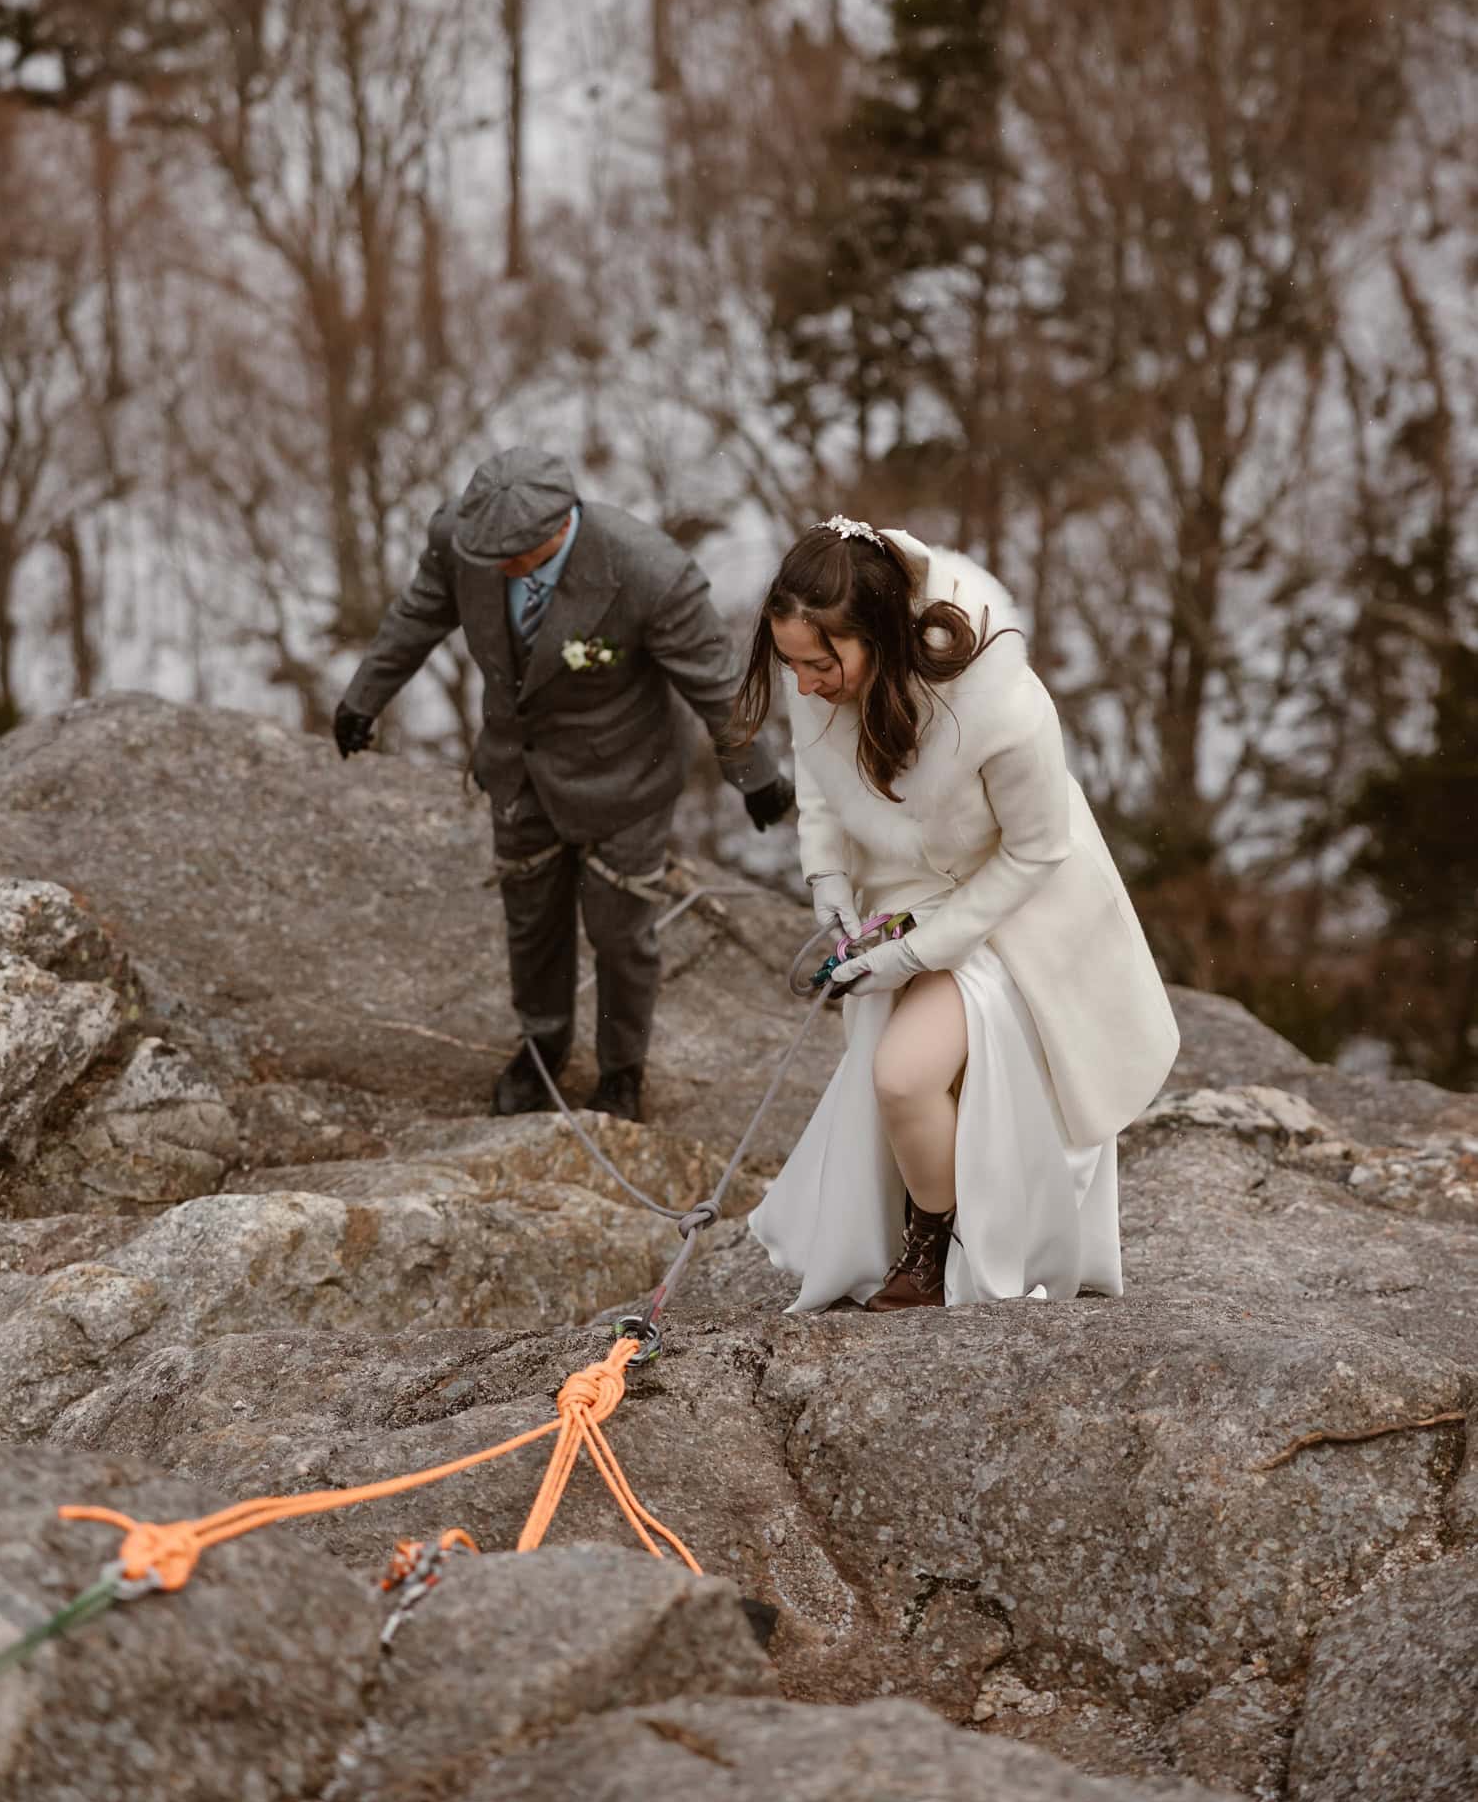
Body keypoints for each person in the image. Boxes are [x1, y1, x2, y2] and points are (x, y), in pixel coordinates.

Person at [729, 515, 1178, 1311]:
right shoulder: (820, 670)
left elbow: (1036, 853)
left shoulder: (1003, 706)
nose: (803, 686)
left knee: (904, 1077)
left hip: (1021, 916)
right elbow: (820, 778)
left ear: (879, 636)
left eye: (820, 664)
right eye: (790, 664)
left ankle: (938, 1241)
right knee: (909, 1077)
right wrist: (828, 878)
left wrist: (919, 953)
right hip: (907, 896)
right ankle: (937, 1217)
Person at [334, 446, 794, 1122]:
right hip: (518, 769)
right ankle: (542, 1047)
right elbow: (418, 615)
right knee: (532, 921)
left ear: (558, 527)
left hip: (625, 779)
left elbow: (719, 687)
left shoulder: (649, 572)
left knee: (618, 935)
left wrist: (756, 777)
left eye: (509, 556)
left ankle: (621, 1072)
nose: (490, 565)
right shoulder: (462, 541)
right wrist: (364, 698)